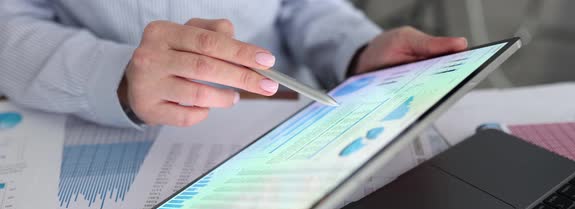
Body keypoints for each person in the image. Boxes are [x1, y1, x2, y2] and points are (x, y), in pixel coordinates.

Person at [0, 1, 467, 129]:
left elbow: (300, 6)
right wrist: (116, 76)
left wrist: (359, 51)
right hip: (95, 124)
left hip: (278, 116)